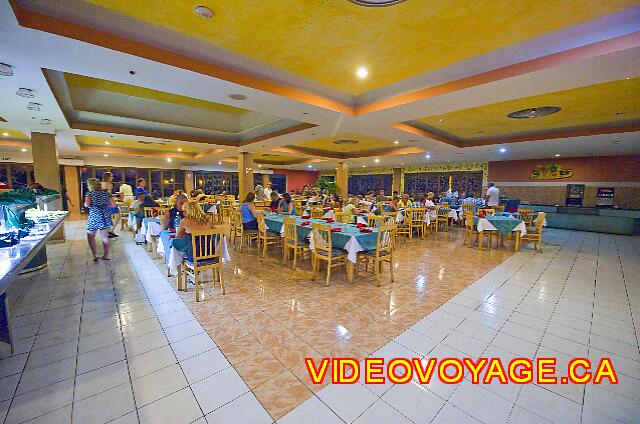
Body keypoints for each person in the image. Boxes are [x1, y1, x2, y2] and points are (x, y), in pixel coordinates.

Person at [85, 177, 114, 261]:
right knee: (105, 237)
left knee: (90, 236)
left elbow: (87, 205)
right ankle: (106, 255)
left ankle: (95, 255)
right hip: (104, 216)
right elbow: (112, 205)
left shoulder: (89, 194)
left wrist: (91, 205)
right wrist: (104, 206)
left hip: (94, 216)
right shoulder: (106, 193)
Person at [101, 172, 120, 238]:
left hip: (103, 203)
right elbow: (108, 195)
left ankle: (108, 232)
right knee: (118, 216)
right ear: (108, 177)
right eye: (111, 176)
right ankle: (111, 231)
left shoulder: (100, 184)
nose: (112, 177)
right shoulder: (109, 184)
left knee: (107, 217)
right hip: (109, 203)